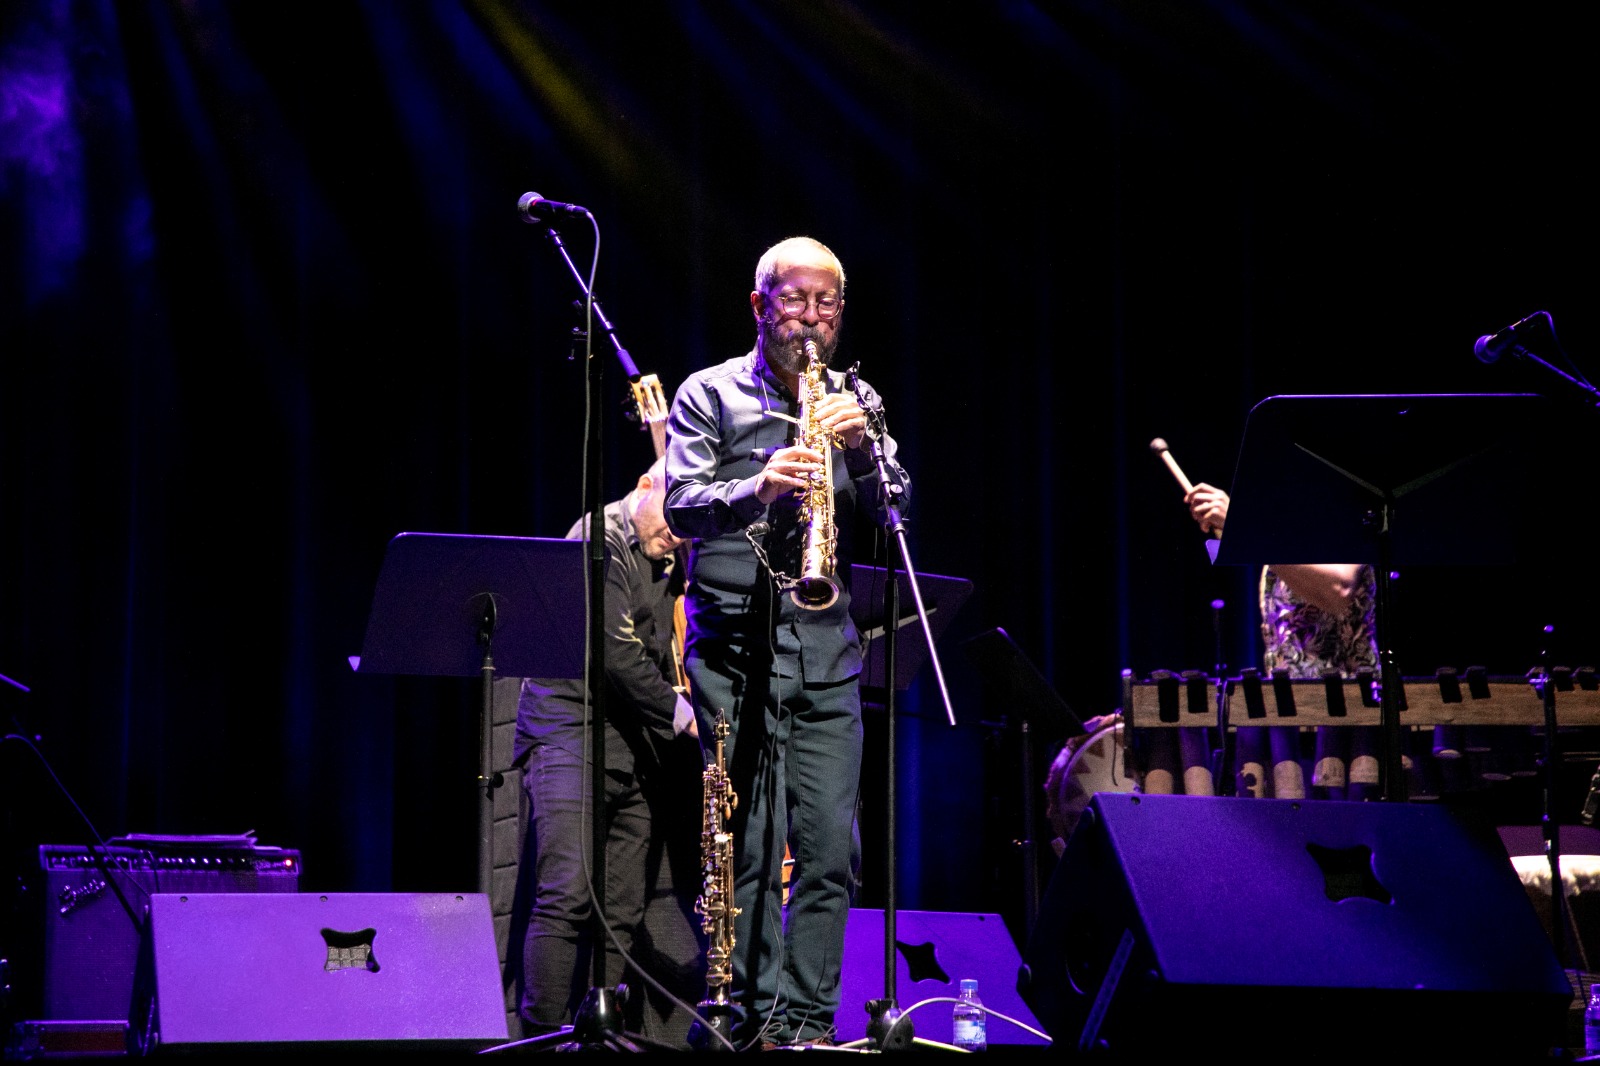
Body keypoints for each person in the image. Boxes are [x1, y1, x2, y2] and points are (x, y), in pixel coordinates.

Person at [663, 236, 910, 1048]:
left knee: (832, 850)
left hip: (827, 651)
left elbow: (896, 504)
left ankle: (806, 1024)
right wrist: (759, 485)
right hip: (733, 648)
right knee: (749, 843)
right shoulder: (711, 394)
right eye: (795, 300)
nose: (810, 319)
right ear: (760, 305)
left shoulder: (857, 399)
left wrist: (859, 454)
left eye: (826, 303)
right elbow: (681, 507)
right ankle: (752, 1018)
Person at [512, 457, 703, 1042]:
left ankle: (598, 1035)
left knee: (620, 908)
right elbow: (617, 656)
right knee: (568, 889)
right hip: (569, 724)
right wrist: (682, 714)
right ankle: (539, 1036)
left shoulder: (673, 558)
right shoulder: (599, 534)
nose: (674, 536)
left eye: (686, 529)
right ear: (645, 486)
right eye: (670, 519)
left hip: (632, 738)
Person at [1183, 481, 1379, 797]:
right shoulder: (1283, 531)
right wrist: (1240, 530)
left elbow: (1339, 589)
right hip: (1290, 731)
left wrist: (1245, 529)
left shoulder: (1353, 513)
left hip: (1352, 734)